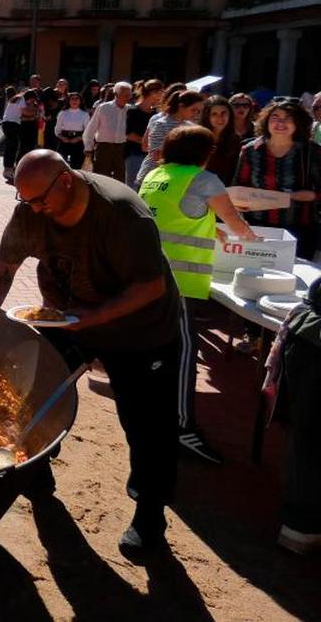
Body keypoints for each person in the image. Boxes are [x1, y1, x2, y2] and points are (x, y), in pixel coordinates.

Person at [0, 149, 183, 558]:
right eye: (26, 201)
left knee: (147, 424)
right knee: (35, 388)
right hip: (67, 317)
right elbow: (3, 267)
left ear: (66, 180)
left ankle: (150, 513)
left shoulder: (122, 214)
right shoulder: (32, 212)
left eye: (40, 200)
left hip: (141, 330)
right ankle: (37, 469)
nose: (34, 209)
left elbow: (150, 287)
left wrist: (96, 317)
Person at [138, 125, 257, 464]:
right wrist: (256, 242)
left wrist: (212, 229)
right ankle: (182, 427)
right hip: (180, 283)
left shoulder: (157, 174)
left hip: (148, 275)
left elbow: (176, 215)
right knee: (184, 354)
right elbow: (236, 221)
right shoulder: (204, 180)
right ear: (206, 153)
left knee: (153, 352)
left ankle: (153, 418)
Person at [262, 277, 321, 555]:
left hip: (309, 333)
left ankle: (299, 526)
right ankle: (302, 526)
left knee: (307, 436)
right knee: (309, 436)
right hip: (312, 336)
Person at [232, 99, 321, 259]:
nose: (281, 122)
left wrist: (311, 196)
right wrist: (241, 203)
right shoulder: (250, 150)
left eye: (288, 118)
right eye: (276, 117)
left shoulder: (312, 152)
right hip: (258, 228)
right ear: (266, 120)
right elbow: (239, 186)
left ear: (298, 122)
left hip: (299, 230)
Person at [134, 90, 205, 188]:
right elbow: (156, 155)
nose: (196, 114)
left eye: (199, 111)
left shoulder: (191, 126)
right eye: (193, 110)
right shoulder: (161, 124)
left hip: (175, 179)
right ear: (181, 107)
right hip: (152, 179)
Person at [83, 81, 133, 183]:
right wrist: (88, 147)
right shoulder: (103, 108)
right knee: (101, 178)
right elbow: (91, 128)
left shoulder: (130, 110)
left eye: (129, 94)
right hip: (103, 148)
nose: (128, 97)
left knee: (120, 178)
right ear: (116, 94)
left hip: (122, 148)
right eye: (125, 94)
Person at [125, 80, 164, 189]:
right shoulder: (132, 111)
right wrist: (148, 143)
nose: (162, 96)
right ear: (152, 93)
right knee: (133, 188)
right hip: (134, 155)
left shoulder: (156, 114)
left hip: (150, 157)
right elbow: (129, 134)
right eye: (160, 92)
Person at [203, 95, 242, 185]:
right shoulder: (197, 138)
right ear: (207, 116)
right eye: (214, 114)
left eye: (223, 113)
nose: (220, 118)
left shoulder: (235, 140)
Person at [54, 92, 90, 169]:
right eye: (72, 99)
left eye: (77, 99)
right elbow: (57, 129)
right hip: (64, 140)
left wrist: (78, 138)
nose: (74, 101)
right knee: (61, 164)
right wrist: (62, 137)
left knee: (77, 165)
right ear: (68, 101)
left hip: (78, 140)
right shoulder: (62, 113)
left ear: (80, 101)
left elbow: (87, 131)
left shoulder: (84, 114)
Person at [1, 87, 23, 183]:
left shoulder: (12, 100)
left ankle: (7, 168)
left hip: (6, 123)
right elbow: (23, 110)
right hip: (13, 123)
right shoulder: (20, 99)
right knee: (13, 146)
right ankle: (9, 170)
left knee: (9, 146)